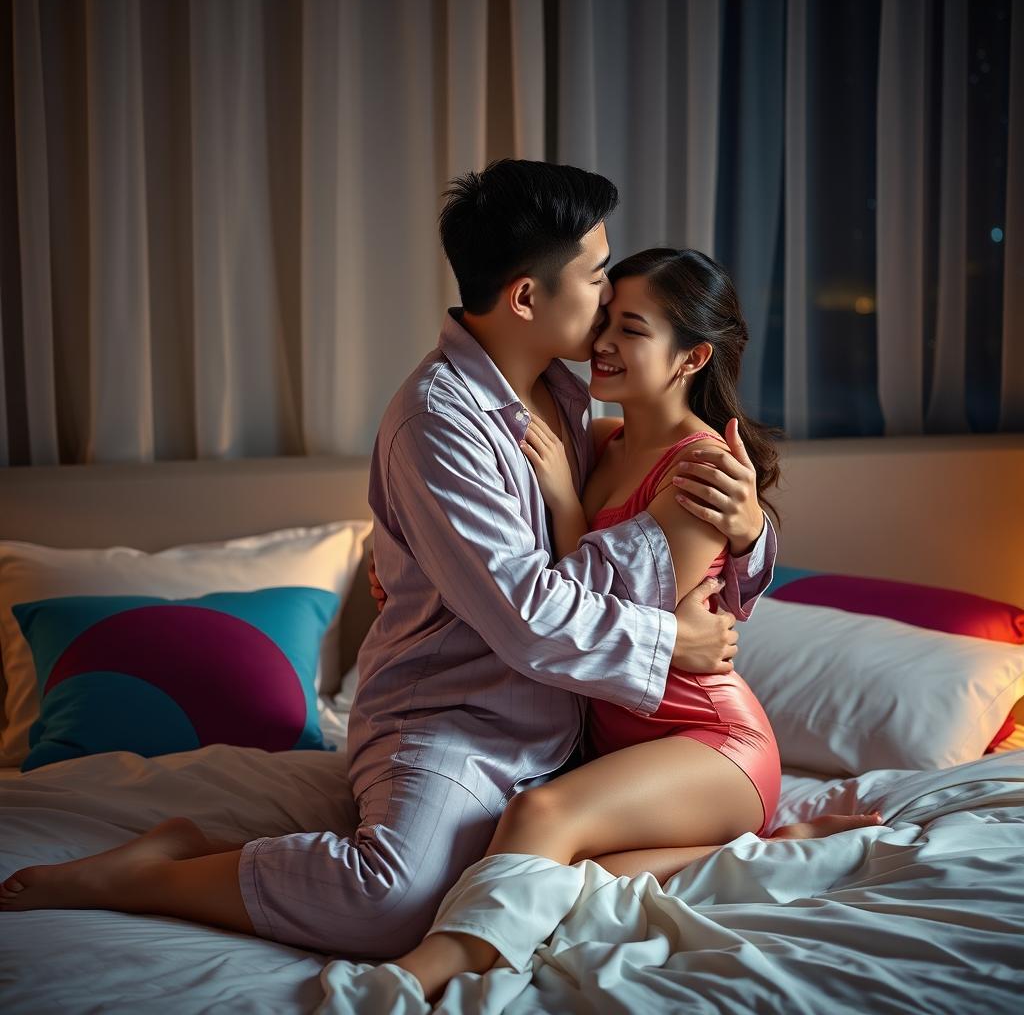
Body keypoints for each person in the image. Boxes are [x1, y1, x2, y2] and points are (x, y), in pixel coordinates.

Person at [0, 160, 779, 961]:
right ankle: (159, 870)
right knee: (390, 901)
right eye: (594, 276)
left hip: (566, 730)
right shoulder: (439, 422)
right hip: (457, 716)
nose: (608, 298)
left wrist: (751, 536)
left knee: (525, 869)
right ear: (525, 298)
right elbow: (529, 617)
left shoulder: (571, 395)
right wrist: (668, 643)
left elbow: (679, 524)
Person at [378, 247, 884, 1003]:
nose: (603, 343)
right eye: (606, 320)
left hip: (705, 741)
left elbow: (616, 605)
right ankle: (774, 852)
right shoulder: (599, 443)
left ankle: (418, 977)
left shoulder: (701, 469)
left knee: (539, 814)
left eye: (633, 330)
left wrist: (565, 501)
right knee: (568, 884)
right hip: (618, 742)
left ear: (693, 357)